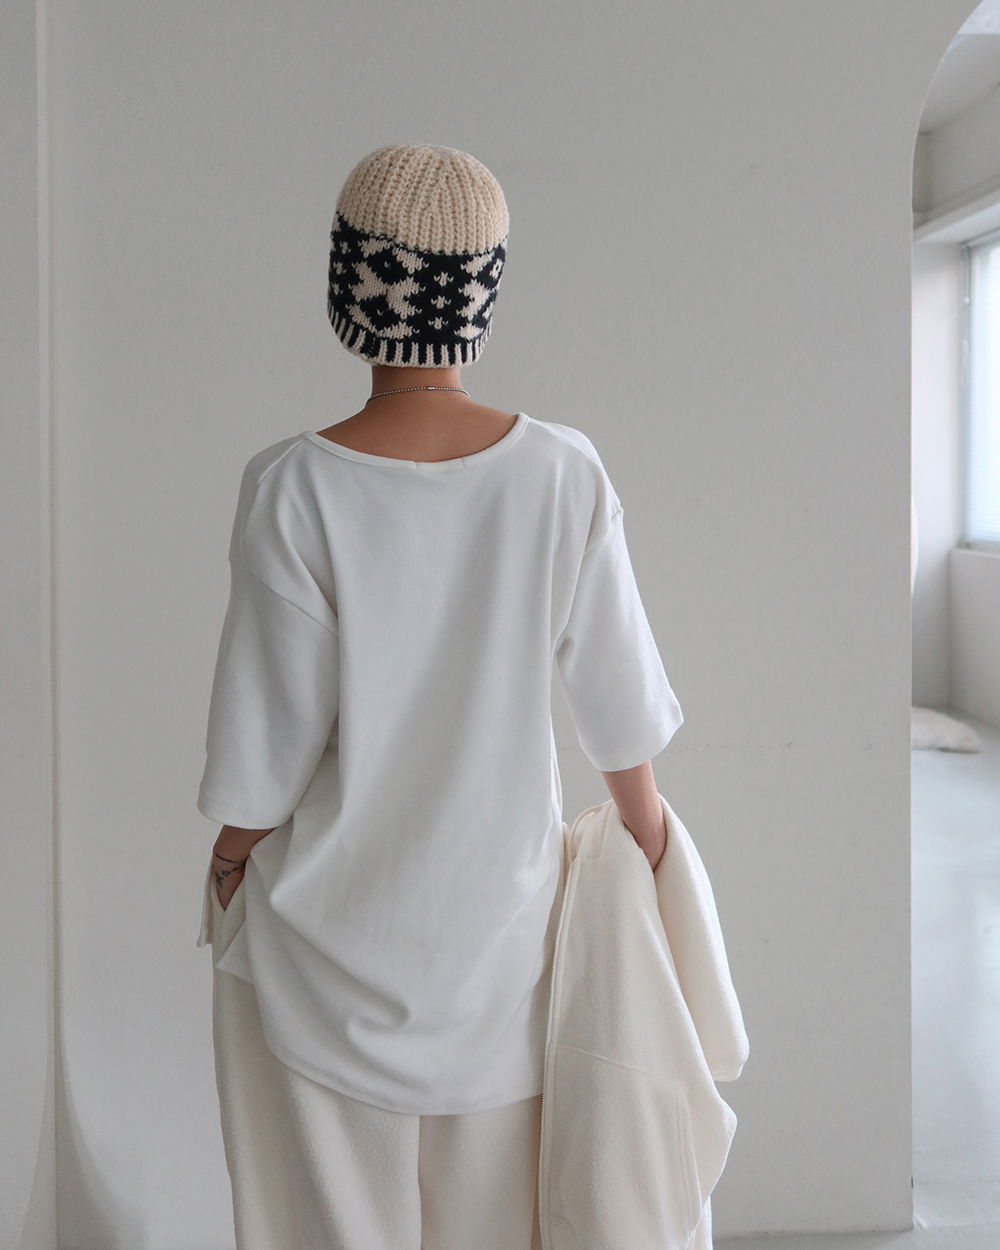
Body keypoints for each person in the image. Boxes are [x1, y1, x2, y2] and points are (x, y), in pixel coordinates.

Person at [196, 143, 684, 1250]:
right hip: (505, 959)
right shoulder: (563, 473)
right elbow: (620, 714)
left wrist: (226, 863)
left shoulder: (292, 485)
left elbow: (265, 748)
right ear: (481, 298)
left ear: (347, 287)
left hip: (325, 960)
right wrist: (650, 852)